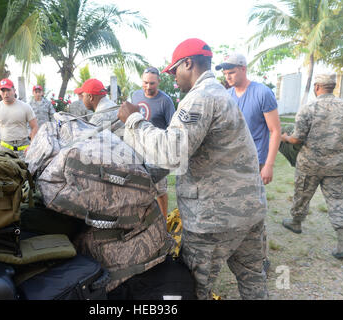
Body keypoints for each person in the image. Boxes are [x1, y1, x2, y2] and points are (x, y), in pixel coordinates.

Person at [117, 38, 268, 300]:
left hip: (214, 219)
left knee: (193, 289)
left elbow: (172, 152)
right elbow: (192, 151)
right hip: (249, 211)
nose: (174, 78)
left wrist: (133, 120)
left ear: (188, 63)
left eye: (175, 70)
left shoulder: (201, 97)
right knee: (253, 281)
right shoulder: (220, 93)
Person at [281, 73, 343, 260]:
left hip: (310, 164)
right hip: (337, 165)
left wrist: (284, 137)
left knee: (302, 194)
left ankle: (296, 222)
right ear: (333, 86)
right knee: (339, 200)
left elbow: (296, 138)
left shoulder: (308, 108)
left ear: (317, 87)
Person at [216, 53, 281, 185]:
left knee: (252, 203)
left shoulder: (262, 93)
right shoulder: (226, 96)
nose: (227, 77)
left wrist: (269, 165)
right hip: (231, 161)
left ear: (243, 69)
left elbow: (275, 131)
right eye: (225, 73)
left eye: (232, 72)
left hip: (254, 161)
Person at [131, 66, 176, 218]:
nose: (148, 87)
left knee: (160, 190)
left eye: (152, 83)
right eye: (145, 83)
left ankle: (163, 223)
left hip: (157, 153)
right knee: (138, 187)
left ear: (159, 82)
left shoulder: (166, 101)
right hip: (137, 151)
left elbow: (172, 128)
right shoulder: (135, 96)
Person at [0, 78, 38, 160]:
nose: (6, 94)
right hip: (5, 149)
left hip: (24, 149)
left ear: (14, 90)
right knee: (5, 172)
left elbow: (34, 126)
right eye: (3, 91)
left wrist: (32, 145)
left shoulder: (25, 107)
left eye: (8, 90)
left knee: (27, 171)